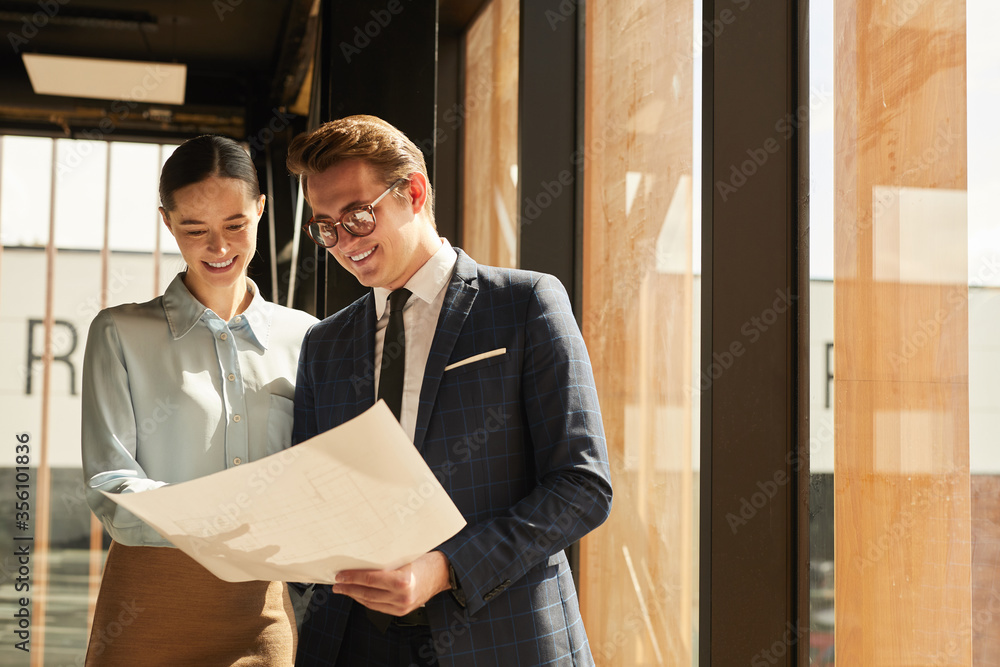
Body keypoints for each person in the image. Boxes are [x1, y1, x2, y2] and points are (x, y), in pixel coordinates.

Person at [286, 115, 613, 667]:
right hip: (351, 641)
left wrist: (444, 569)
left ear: (413, 192)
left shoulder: (524, 304)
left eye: (358, 216)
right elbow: (315, 492)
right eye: (326, 228)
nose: (344, 243)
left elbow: (582, 486)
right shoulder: (325, 344)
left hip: (501, 636)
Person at [81, 135, 318, 666]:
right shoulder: (119, 332)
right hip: (148, 603)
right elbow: (109, 484)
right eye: (195, 228)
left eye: (236, 225)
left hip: (263, 609)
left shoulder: (307, 337)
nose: (219, 247)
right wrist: (229, 517)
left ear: (260, 209)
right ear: (167, 222)